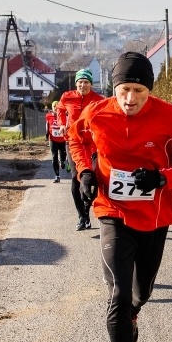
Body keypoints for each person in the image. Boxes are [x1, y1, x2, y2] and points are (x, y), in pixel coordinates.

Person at [68, 52, 172, 342]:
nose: (130, 99)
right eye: (125, 89)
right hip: (112, 212)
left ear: (149, 90)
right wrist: (85, 172)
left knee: (140, 295)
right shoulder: (96, 112)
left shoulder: (170, 116)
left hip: (154, 215)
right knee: (118, 294)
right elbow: (76, 139)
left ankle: (133, 314)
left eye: (139, 90)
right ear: (114, 88)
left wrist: (162, 178)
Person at [60, 68, 105, 230]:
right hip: (73, 141)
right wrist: (62, 122)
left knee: (95, 177)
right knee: (75, 177)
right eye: (80, 82)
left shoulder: (98, 100)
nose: (83, 85)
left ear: (91, 84)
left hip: (93, 143)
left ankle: (86, 208)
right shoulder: (67, 96)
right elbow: (60, 109)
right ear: (76, 83)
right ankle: (82, 216)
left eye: (86, 82)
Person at [45, 101, 66, 183]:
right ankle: (57, 176)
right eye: (54, 107)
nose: (56, 109)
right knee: (54, 157)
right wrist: (46, 134)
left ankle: (62, 161)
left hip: (62, 140)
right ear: (52, 107)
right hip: (53, 139)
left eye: (57, 107)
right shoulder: (48, 116)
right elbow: (47, 125)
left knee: (63, 156)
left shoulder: (64, 115)